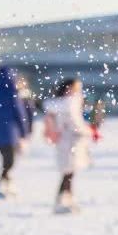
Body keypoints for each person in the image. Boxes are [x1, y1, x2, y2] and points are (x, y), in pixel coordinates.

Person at [44, 78, 90, 213]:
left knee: (69, 172)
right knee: (68, 172)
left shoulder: (60, 103)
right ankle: (62, 200)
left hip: (68, 140)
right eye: (76, 88)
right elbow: (76, 123)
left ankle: (67, 199)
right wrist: (87, 131)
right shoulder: (69, 102)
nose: (78, 91)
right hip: (69, 141)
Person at [0, 66, 30, 199]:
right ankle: (2, 183)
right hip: (11, 132)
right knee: (10, 160)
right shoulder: (12, 92)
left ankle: (6, 183)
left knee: (6, 158)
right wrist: (24, 132)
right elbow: (20, 114)